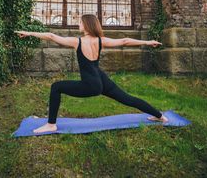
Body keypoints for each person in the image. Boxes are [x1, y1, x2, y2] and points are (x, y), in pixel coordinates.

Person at [14, 14, 168, 133]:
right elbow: (125, 41)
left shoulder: (78, 41)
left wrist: (29, 33)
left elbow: (52, 36)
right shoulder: (101, 40)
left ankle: (50, 125)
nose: (78, 24)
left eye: (80, 22)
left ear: (86, 25)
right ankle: (160, 116)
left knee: (56, 87)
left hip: (91, 84)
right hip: (101, 78)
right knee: (128, 99)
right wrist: (148, 42)